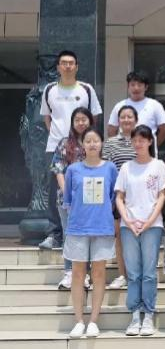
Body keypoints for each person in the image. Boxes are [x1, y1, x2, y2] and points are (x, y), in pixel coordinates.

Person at [39, 50, 102, 250]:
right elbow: (47, 117)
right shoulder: (50, 89)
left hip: (83, 146)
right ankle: (54, 233)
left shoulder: (86, 89)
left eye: (71, 63)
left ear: (76, 66)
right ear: (58, 67)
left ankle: (87, 227)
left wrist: (85, 139)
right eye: (64, 63)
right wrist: (60, 138)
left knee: (86, 186)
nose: (67, 66)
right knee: (54, 190)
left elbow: (93, 117)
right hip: (56, 146)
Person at [63, 127, 118, 339]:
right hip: (78, 227)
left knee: (99, 273)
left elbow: (113, 197)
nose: (92, 144)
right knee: (78, 273)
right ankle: (78, 320)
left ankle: (94, 320)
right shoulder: (73, 170)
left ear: (102, 143)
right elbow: (68, 199)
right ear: (82, 144)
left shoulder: (110, 168)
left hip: (102, 227)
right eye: (88, 141)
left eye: (96, 140)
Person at [115, 125, 165, 337]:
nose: (138, 143)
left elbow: (162, 196)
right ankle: (135, 314)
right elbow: (119, 197)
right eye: (135, 140)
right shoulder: (126, 167)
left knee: (148, 273)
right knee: (133, 273)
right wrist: (127, 220)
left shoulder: (159, 165)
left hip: (152, 226)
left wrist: (148, 221)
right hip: (129, 226)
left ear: (150, 142)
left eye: (142, 140)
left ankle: (149, 314)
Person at [51, 107, 94, 291]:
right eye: (77, 120)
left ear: (90, 121)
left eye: (84, 119)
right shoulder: (64, 143)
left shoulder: (94, 142)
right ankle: (69, 272)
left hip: (90, 199)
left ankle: (85, 274)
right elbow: (58, 169)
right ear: (72, 123)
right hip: (67, 200)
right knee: (70, 235)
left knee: (87, 236)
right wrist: (68, 194)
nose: (81, 122)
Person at [102, 105, 139, 290]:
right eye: (123, 117)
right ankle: (123, 274)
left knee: (138, 235)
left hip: (139, 196)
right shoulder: (110, 143)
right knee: (120, 237)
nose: (126, 120)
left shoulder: (142, 139)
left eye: (129, 116)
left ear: (136, 120)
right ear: (118, 121)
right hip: (118, 195)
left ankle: (137, 274)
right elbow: (106, 170)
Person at [107, 71, 165, 151]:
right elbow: (111, 129)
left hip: (148, 152)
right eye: (132, 85)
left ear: (146, 87)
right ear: (128, 86)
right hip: (124, 151)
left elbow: (164, 129)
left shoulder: (155, 105)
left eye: (139, 85)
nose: (136, 88)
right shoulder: (119, 106)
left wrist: (153, 146)